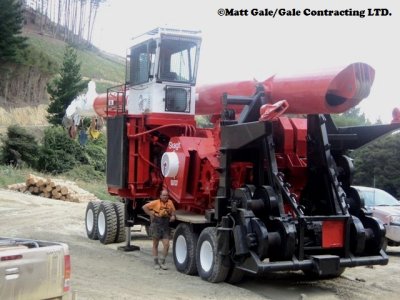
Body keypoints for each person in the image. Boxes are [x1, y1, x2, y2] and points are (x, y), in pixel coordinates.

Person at [143, 189, 176, 270]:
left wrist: (173, 216)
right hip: (156, 224)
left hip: (165, 225)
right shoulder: (155, 202)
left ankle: (162, 262)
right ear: (160, 196)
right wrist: (151, 214)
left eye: (167, 195)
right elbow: (144, 207)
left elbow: (173, 212)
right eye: (164, 195)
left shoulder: (170, 203)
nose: (165, 197)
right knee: (155, 244)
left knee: (167, 245)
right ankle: (156, 262)